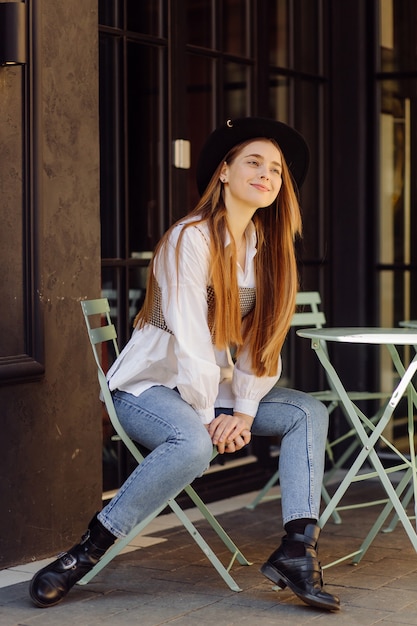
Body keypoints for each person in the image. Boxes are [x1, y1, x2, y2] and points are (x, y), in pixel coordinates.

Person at [29, 117, 340, 612]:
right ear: (223, 171)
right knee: (193, 444)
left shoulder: (267, 249)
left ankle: (297, 551)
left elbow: (260, 345)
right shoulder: (189, 238)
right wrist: (207, 416)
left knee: (309, 412)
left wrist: (241, 410)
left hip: (209, 392)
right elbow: (193, 340)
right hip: (147, 389)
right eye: (253, 162)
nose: (267, 175)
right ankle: (84, 554)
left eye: (276, 170)